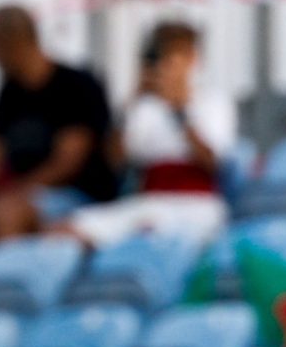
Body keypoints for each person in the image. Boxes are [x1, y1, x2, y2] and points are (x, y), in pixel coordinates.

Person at [66, 22, 237, 249]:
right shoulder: (144, 107)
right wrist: (131, 104)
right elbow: (116, 161)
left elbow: (213, 163)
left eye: (171, 58)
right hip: (148, 202)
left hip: (195, 208)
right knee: (67, 231)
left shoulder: (213, 102)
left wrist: (179, 111)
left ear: (191, 59)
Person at [0, 5, 115, 241]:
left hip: (77, 197)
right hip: (21, 194)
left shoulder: (76, 85)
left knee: (8, 213)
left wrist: (11, 193)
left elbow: (66, 164)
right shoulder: (10, 92)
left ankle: (6, 276)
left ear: (13, 43)